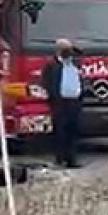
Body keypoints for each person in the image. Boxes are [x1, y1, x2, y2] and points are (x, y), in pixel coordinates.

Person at [40, 38, 83, 168]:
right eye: (66, 50)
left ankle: (72, 159)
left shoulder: (74, 63)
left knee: (73, 130)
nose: (69, 53)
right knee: (60, 131)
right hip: (60, 102)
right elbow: (46, 82)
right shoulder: (51, 65)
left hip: (74, 101)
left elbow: (81, 55)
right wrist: (52, 96)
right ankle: (60, 158)